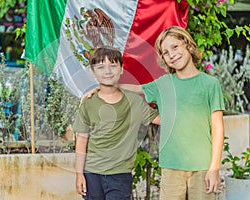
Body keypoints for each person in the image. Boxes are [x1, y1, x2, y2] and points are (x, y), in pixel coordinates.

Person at [83, 26, 225, 200]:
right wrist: (103, 87)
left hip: (202, 166)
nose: (172, 54)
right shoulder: (163, 83)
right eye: (165, 52)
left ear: (188, 45)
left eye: (175, 47)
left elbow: (218, 127)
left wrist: (214, 168)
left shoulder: (210, 84)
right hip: (171, 166)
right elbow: (136, 89)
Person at [73, 46, 160, 200]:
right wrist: (79, 174)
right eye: (101, 67)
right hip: (91, 174)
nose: (107, 71)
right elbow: (82, 139)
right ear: (93, 72)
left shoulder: (133, 101)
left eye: (113, 66)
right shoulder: (88, 103)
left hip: (120, 175)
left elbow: (159, 120)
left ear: (121, 69)